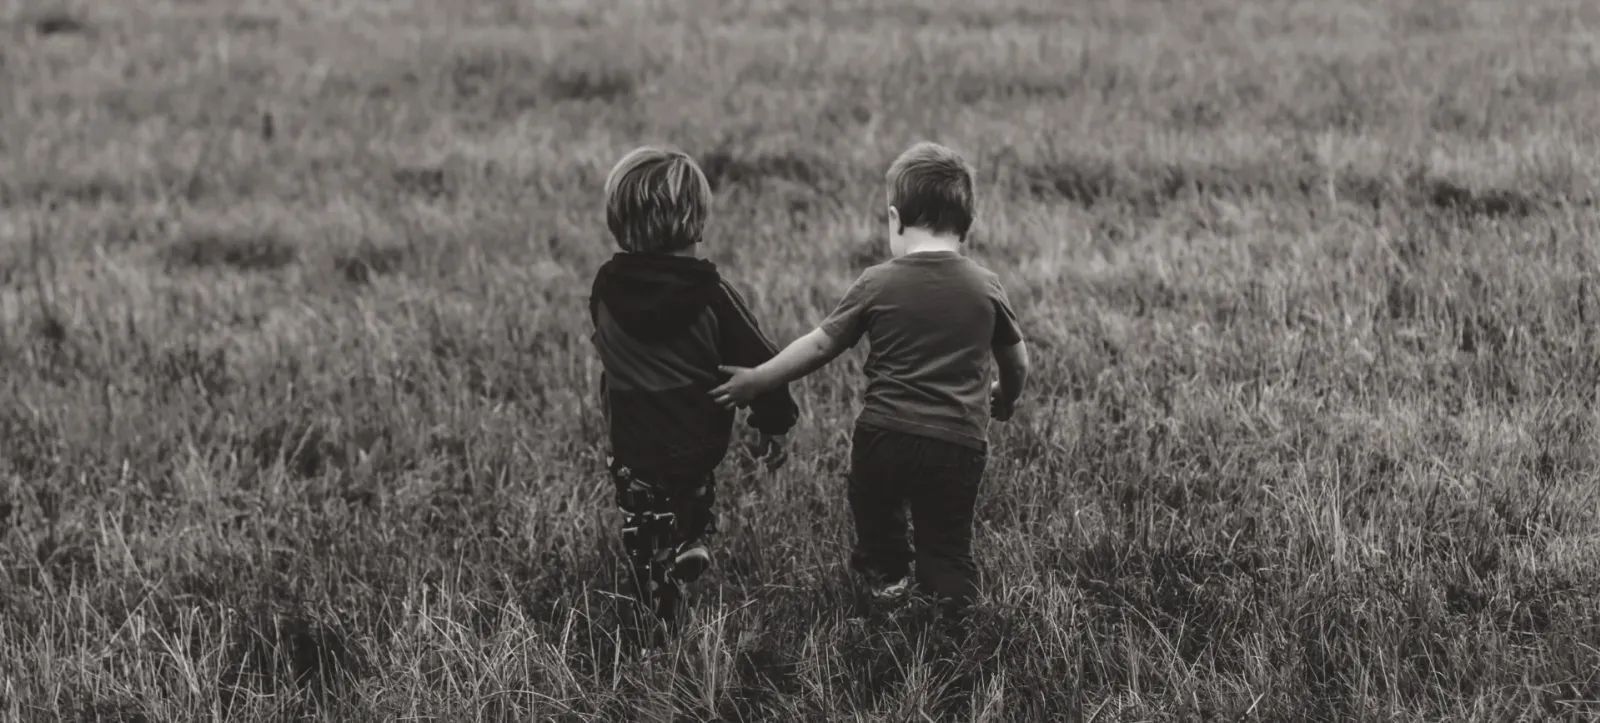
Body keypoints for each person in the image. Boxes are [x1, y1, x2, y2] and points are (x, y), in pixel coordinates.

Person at [711, 142, 1029, 612]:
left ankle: (886, 579)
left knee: (877, 517)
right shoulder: (986, 285)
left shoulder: (876, 282)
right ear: (969, 225)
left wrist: (760, 378)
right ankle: (951, 601)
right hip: (957, 443)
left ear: (895, 219)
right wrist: (1006, 395)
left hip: (884, 437)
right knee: (947, 540)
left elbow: (820, 345)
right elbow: (1017, 360)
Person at [590, 146, 796, 622]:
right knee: (692, 486)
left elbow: (604, 340)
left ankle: (657, 587)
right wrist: (774, 421)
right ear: (697, 223)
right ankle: (690, 537)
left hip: (632, 437)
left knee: (644, 516)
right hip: (696, 434)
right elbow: (762, 361)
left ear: (618, 223)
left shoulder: (606, 286)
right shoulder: (712, 295)